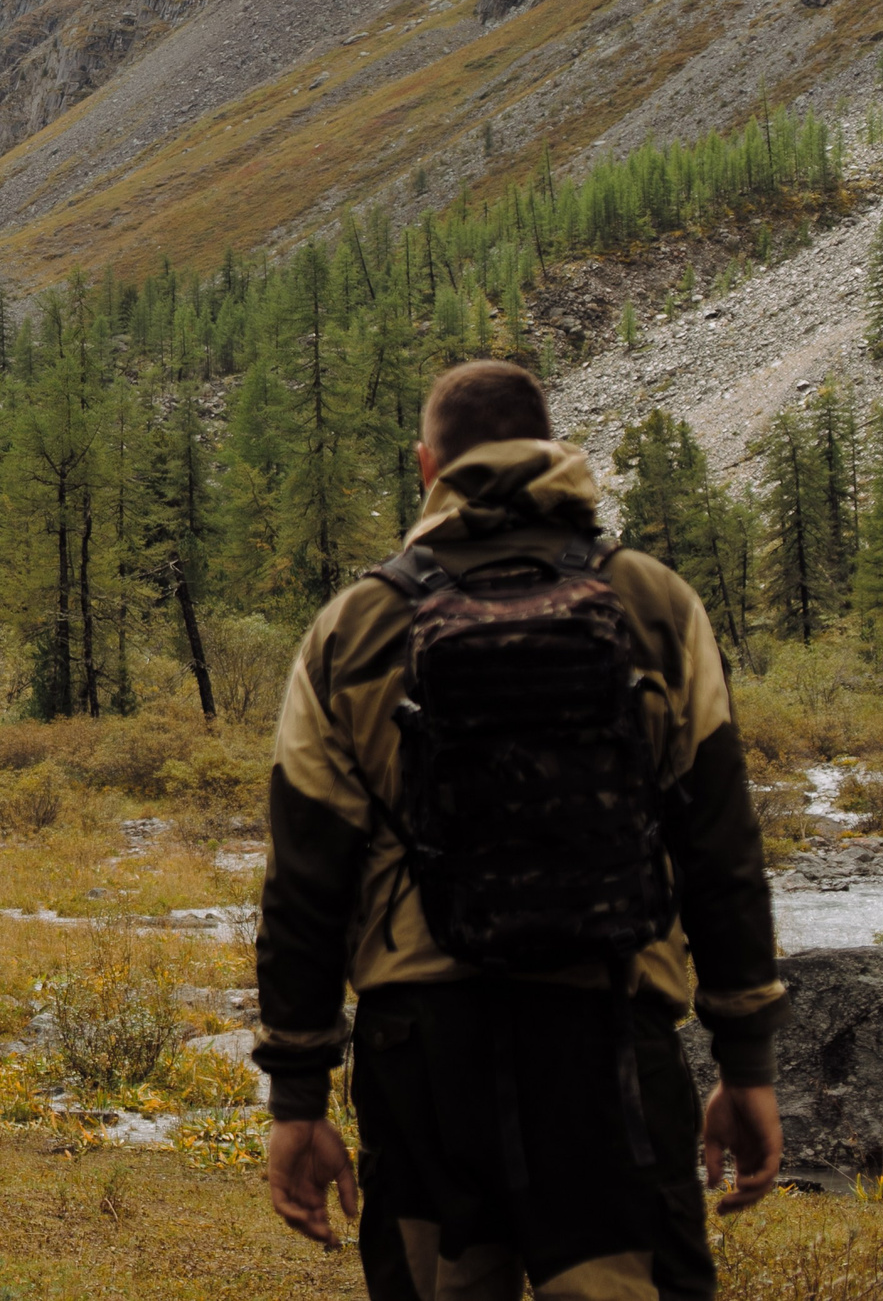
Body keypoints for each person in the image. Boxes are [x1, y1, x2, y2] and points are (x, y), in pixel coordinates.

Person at [254, 359, 785, 1301]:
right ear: (552, 454)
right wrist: (745, 1059)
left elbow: (305, 878)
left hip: (422, 1061)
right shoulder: (656, 604)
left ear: (429, 468)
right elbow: (720, 845)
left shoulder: (355, 626)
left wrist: (298, 1094)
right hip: (610, 1042)